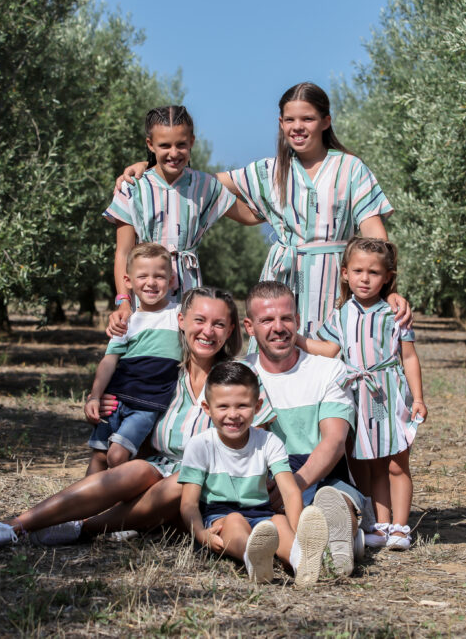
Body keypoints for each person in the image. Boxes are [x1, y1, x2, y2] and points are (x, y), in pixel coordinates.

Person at [112, 83, 411, 340]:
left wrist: (389, 290)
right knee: (277, 348)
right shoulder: (269, 171)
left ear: (325, 121)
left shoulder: (350, 167)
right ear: (281, 123)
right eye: (290, 119)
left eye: (307, 118)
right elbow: (202, 181)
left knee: (336, 349)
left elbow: (374, 233)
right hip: (282, 278)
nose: (298, 126)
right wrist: (146, 168)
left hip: (338, 278)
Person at [0, 287, 252, 549]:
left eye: (219, 324)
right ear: (181, 321)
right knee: (139, 469)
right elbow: (132, 415)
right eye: (199, 320)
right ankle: (11, 526)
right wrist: (102, 404)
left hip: (205, 490)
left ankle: (82, 527)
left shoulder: (235, 381)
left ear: (230, 331)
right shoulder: (165, 376)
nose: (208, 331)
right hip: (158, 474)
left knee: (182, 479)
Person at [297, 237, 427, 550]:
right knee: (372, 465)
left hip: (389, 395)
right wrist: (295, 340)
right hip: (357, 395)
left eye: (373, 272)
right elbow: (328, 348)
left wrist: (418, 398)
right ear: (345, 273)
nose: (364, 278)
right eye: (358, 271)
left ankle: (401, 526)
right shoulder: (341, 314)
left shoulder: (394, 314)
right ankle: (381, 525)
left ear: (387, 277)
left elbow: (408, 357)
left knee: (397, 462)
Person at [242, 280, 367, 577]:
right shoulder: (240, 375)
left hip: (317, 474)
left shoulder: (328, 369)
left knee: (334, 499)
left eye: (286, 318)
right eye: (267, 320)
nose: (279, 327)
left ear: (298, 321)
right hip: (266, 481)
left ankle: (339, 530)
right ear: (250, 326)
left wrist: (295, 485)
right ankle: (334, 543)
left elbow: (335, 441)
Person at [106, 106, 259, 329]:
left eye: (181, 144)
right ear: (150, 145)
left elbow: (249, 216)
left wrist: (284, 203)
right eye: (164, 145)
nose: (174, 153)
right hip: (146, 289)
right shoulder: (132, 188)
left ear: (192, 142)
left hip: (189, 288)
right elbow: (123, 252)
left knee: (189, 349)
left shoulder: (205, 185)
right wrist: (123, 301)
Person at [178, 361, 328, 585]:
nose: (233, 414)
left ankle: (300, 558)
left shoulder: (268, 442)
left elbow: (289, 491)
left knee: (279, 521)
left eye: (242, 406)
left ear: (257, 407)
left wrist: (297, 532)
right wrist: (201, 534)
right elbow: (188, 503)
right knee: (235, 520)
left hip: (262, 516)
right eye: (223, 407)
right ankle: (253, 559)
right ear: (207, 408)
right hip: (220, 519)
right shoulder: (200, 445)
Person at [83, 243, 180, 475]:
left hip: (147, 404)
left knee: (118, 455)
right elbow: (109, 361)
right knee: (98, 455)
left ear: (172, 280)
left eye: (159, 276)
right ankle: (84, 510)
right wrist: (94, 396)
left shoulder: (178, 315)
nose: (151, 282)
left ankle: (115, 506)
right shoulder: (126, 321)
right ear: (128, 281)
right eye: (143, 276)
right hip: (116, 399)